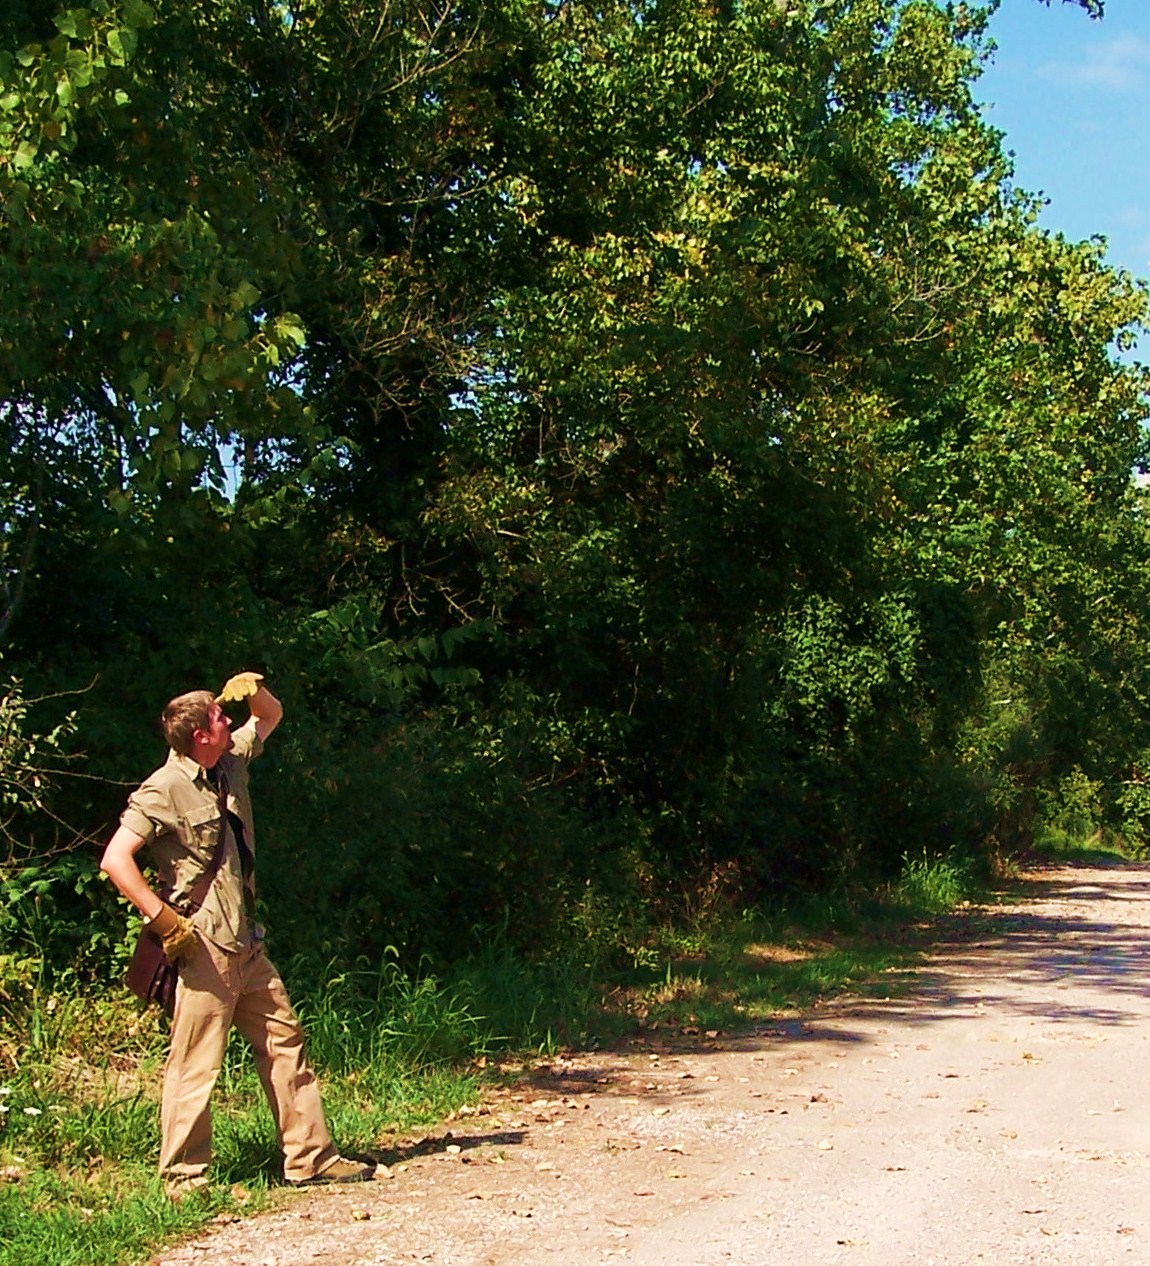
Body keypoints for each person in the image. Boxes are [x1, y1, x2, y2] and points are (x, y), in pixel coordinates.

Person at [100, 671, 374, 1199]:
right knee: (196, 1061)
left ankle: (310, 1158)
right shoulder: (164, 789)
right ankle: (183, 1180)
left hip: (246, 942)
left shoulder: (229, 762)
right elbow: (115, 860)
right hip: (203, 946)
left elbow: (269, 716)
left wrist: (252, 690)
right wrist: (163, 920)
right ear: (200, 735)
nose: (229, 722)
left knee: (284, 1042)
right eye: (220, 717)